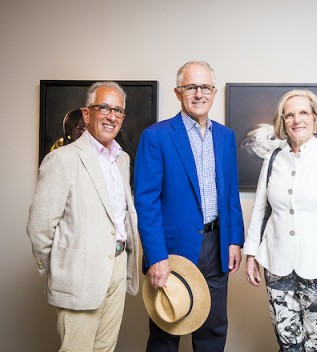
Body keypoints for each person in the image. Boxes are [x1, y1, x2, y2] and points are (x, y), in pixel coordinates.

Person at [134, 60, 244, 352]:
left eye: (205, 87)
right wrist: (156, 256)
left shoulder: (225, 136)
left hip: (217, 246)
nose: (199, 93)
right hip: (172, 252)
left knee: (213, 330)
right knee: (165, 334)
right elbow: (146, 203)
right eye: (191, 87)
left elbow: (231, 194)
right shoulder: (156, 137)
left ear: (214, 91)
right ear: (177, 92)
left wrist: (235, 240)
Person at [244, 89, 317, 351]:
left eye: (303, 113)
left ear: (315, 118)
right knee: (288, 344)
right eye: (289, 115)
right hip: (277, 266)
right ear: (282, 121)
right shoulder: (274, 158)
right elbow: (260, 210)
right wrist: (250, 253)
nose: (297, 120)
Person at [27, 81, 139, 352]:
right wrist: (60, 267)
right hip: (79, 273)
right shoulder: (62, 160)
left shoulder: (121, 160)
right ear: (87, 114)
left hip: (117, 265)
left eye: (118, 111)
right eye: (104, 108)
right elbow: (40, 227)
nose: (112, 116)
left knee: (106, 348)